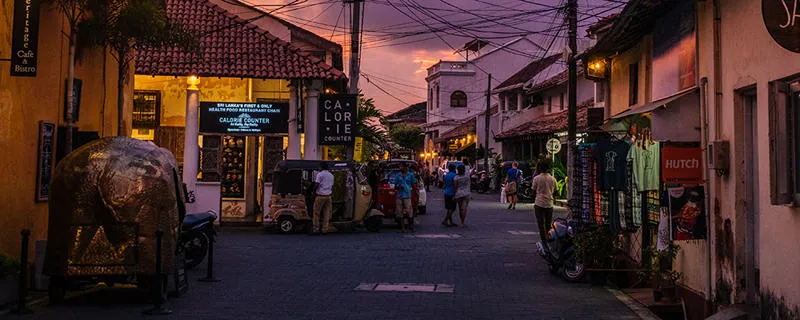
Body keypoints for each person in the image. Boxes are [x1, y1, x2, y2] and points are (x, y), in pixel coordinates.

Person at [532, 160, 557, 245]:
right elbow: (556, 192)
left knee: (540, 223)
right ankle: (548, 239)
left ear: (540, 168)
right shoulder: (553, 179)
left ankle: (544, 241)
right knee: (548, 223)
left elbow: (533, 190)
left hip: (539, 203)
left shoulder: (537, 178)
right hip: (549, 204)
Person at [393, 164, 417, 233]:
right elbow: (395, 186)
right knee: (399, 212)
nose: (402, 168)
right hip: (399, 195)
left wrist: (415, 194)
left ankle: (411, 225)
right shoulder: (398, 175)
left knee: (409, 211)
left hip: (407, 195)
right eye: (401, 167)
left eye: (403, 167)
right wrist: (398, 187)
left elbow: (414, 185)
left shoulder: (410, 175)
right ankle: (402, 227)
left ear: (406, 168)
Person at [311, 162, 334, 235]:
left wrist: (313, 191)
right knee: (326, 213)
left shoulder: (320, 174)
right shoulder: (331, 175)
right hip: (328, 196)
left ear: (321, 167)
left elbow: (317, 184)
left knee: (316, 213)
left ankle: (316, 229)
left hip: (320, 195)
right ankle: (325, 229)